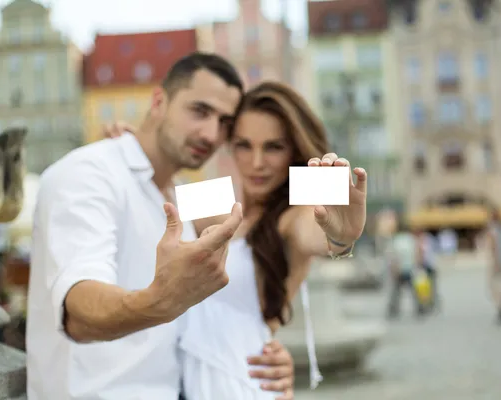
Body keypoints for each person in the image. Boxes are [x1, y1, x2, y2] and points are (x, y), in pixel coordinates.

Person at [26, 53, 296, 400]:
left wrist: (261, 353)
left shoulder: (186, 193)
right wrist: (160, 300)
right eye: (199, 111)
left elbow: (283, 208)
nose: (211, 134)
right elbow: (78, 313)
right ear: (158, 101)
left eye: (226, 123)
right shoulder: (88, 173)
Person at [104, 81, 368, 399]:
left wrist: (342, 237)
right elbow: (154, 190)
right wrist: (129, 146)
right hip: (178, 382)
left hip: (238, 385)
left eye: (273, 147)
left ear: (295, 150)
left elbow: (315, 231)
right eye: (244, 145)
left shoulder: (294, 212)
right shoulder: (220, 199)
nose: (256, 162)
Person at [385, 219, 424, 318]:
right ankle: (420, 308)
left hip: (399, 270)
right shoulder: (411, 239)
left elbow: (392, 256)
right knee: (414, 291)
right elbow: (418, 253)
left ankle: (393, 310)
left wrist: (394, 269)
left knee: (396, 292)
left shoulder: (395, 240)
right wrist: (418, 265)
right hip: (410, 269)